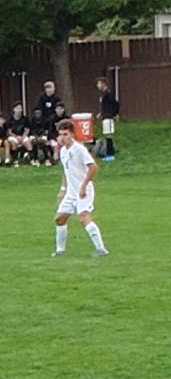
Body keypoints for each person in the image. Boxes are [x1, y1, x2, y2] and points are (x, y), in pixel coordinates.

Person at [53, 119, 108, 258]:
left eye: (65, 134)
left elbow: (93, 167)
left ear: (72, 134)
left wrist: (83, 186)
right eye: (60, 134)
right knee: (59, 219)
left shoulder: (79, 149)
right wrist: (63, 189)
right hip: (71, 192)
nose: (62, 138)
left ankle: (101, 249)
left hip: (84, 191)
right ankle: (60, 251)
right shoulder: (63, 151)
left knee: (83, 218)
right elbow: (66, 171)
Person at [95, 77, 119, 161]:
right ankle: (109, 151)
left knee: (108, 134)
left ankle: (110, 153)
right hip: (104, 116)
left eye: (98, 84)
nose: (97, 86)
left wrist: (113, 114)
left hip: (108, 116)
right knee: (106, 134)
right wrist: (101, 113)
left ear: (103, 83)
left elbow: (115, 104)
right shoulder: (103, 94)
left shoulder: (109, 94)